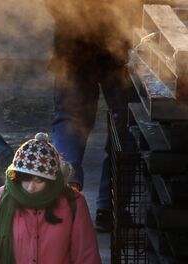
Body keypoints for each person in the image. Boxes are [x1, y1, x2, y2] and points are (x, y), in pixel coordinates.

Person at [44, 0, 141, 231]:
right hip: (118, 47)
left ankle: (66, 200)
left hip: (74, 44)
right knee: (126, 125)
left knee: (70, 123)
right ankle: (110, 208)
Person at [0, 133, 101, 264]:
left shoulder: (73, 202)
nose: (31, 187)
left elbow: (86, 255)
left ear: (51, 181)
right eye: (25, 180)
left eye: (38, 181)